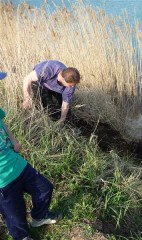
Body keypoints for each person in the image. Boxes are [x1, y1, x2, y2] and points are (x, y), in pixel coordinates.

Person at [1, 72, 59, 240]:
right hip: (2, 179)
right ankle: (23, 237)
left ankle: (39, 218)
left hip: (17, 163)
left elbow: (2, 124)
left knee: (44, 188)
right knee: (15, 215)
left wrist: (13, 141)